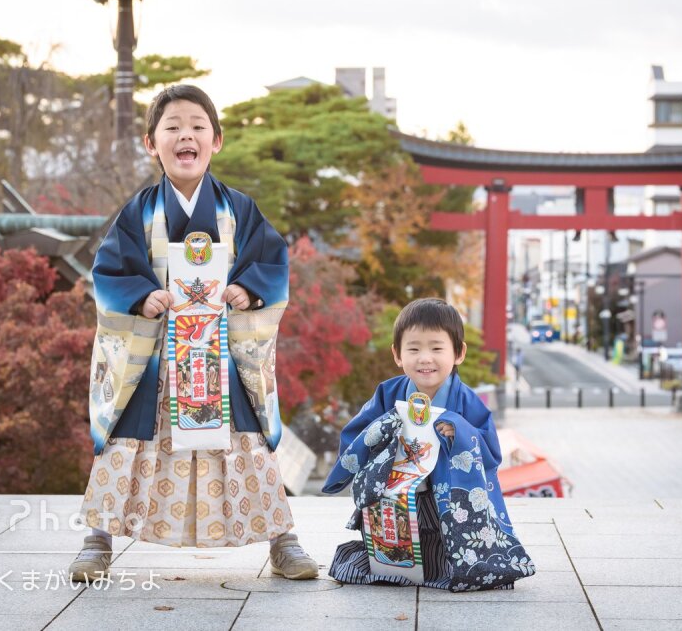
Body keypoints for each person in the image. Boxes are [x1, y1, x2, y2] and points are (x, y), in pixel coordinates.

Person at [70, 84, 317, 582]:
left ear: (217, 141)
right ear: (150, 143)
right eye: (174, 127)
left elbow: (271, 259)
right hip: (158, 356)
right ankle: (97, 540)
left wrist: (248, 290)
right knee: (124, 443)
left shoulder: (238, 210)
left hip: (220, 353)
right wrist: (142, 297)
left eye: (198, 127)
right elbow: (110, 270)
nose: (187, 135)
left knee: (248, 442)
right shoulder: (139, 212)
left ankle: (282, 541)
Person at [323, 298, 536, 591]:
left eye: (436, 348)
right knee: (383, 551)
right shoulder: (388, 392)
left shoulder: (466, 400)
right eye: (414, 348)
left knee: (455, 559)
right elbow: (358, 433)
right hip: (396, 491)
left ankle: (441, 563)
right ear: (397, 354)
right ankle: (395, 562)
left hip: (446, 500)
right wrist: (385, 430)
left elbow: (489, 453)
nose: (425, 358)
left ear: (458, 353)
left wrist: (459, 433)